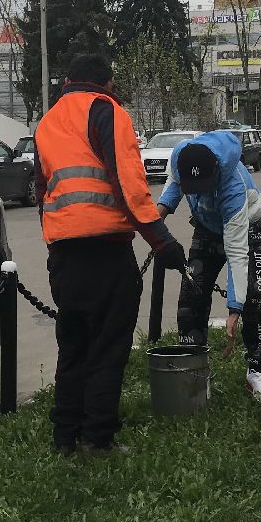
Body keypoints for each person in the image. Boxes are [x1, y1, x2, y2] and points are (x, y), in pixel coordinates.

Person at [35, 53, 187, 456]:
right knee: (107, 347)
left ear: (68, 80)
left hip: (64, 251)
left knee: (74, 346)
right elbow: (128, 181)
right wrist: (161, 240)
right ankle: (98, 438)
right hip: (105, 249)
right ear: (107, 82)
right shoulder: (107, 110)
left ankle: (65, 437)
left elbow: (41, 189)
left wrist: (55, 239)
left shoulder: (48, 122)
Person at [156, 131, 261, 404]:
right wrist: (156, 220)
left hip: (248, 226)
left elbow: (237, 253)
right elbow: (174, 185)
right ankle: (194, 368)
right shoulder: (179, 158)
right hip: (206, 228)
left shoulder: (232, 187)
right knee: (191, 294)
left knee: (253, 298)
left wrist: (234, 308)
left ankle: (255, 371)